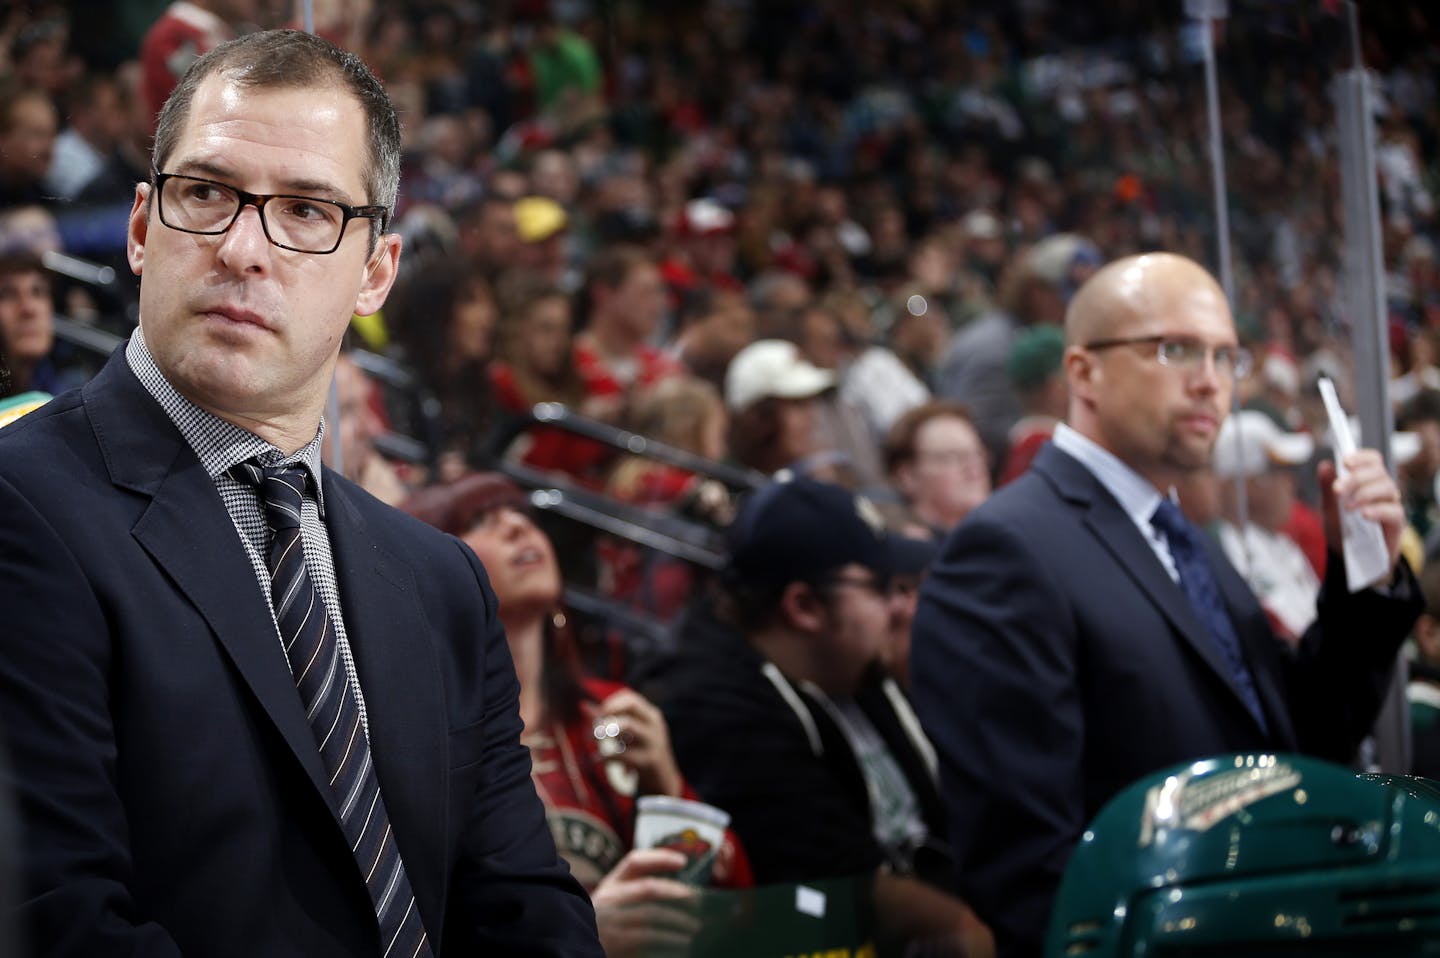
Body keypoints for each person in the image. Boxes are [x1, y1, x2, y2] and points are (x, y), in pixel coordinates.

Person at [0, 30, 600, 957]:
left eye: (308, 212)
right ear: (138, 228)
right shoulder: (23, 506)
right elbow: (54, 923)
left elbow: (524, 912)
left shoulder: (441, 581)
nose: (244, 249)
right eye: (206, 193)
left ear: (376, 273)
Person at [911, 252, 1423, 958]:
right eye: (1174, 349)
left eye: (1225, 356)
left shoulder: (1181, 538)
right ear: (1083, 372)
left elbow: (1297, 738)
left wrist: (1364, 574)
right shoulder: (1005, 550)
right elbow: (1027, 869)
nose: (1210, 381)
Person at [400, 472, 751, 956]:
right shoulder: (424, 748)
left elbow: (733, 905)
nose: (517, 528)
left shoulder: (606, 713)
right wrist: (587, 930)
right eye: (479, 521)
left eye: (522, 515)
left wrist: (666, 786)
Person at [645, 476, 993, 957]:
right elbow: (843, 893)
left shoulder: (850, 663)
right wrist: (971, 931)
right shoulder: (714, 712)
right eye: (880, 587)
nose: (900, 607)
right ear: (804, 606)